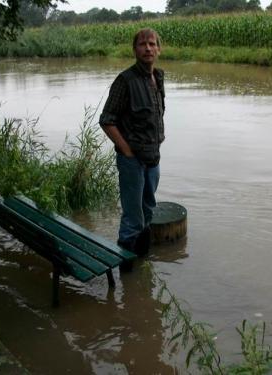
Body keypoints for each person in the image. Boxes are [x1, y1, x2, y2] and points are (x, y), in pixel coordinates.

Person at [99, 28, 165, 260]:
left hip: (153, 159)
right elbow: (106, 120)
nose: (147, 48)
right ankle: (126, 270)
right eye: (142, 44)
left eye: (152, 44)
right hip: (132, 162)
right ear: (134, 49)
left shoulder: (158, 77)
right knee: (132, 218)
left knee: (148, 210)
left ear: (159, 49)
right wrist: (126, 151)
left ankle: (142, 265)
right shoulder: (125, 81)